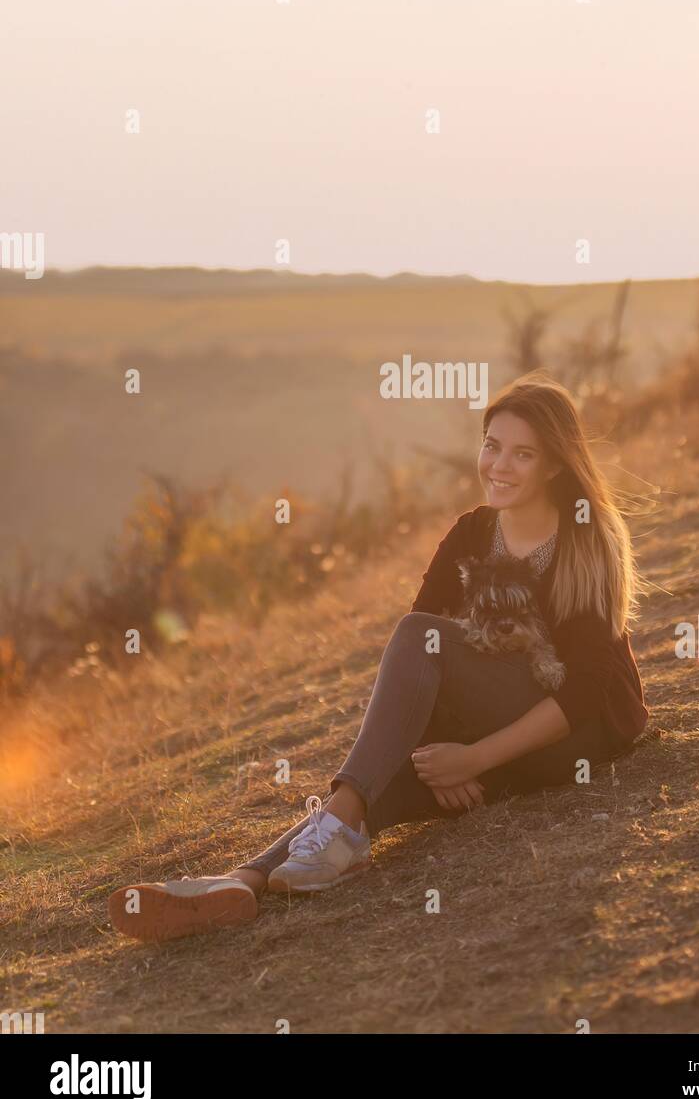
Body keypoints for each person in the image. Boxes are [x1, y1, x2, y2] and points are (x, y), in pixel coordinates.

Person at [109, 372, 649, 942]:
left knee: (419, 637)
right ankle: (242, 882)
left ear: (555, 465)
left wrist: (476, 759)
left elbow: (584, 692)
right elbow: (419, 672)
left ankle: (314, 843)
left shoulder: (588, 539)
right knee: (374, 786)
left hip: (569, 737)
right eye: (491, 445)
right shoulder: (472, 532)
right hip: (493, 731)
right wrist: (438, 753)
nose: (499, 465)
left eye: (522, 454)